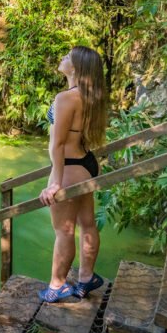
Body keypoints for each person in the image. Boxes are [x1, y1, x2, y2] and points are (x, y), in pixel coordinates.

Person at [37, 46, 108, 303]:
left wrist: (55, 182)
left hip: (68, 167)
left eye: (67, 57)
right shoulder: (91, 95)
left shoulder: (65, 98)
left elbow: (57, 144)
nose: (62, 58)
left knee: (63, 231)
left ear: (76, 68)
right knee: (87, 223)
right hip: (86, 164)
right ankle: (86, 278)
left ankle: (57, 285)